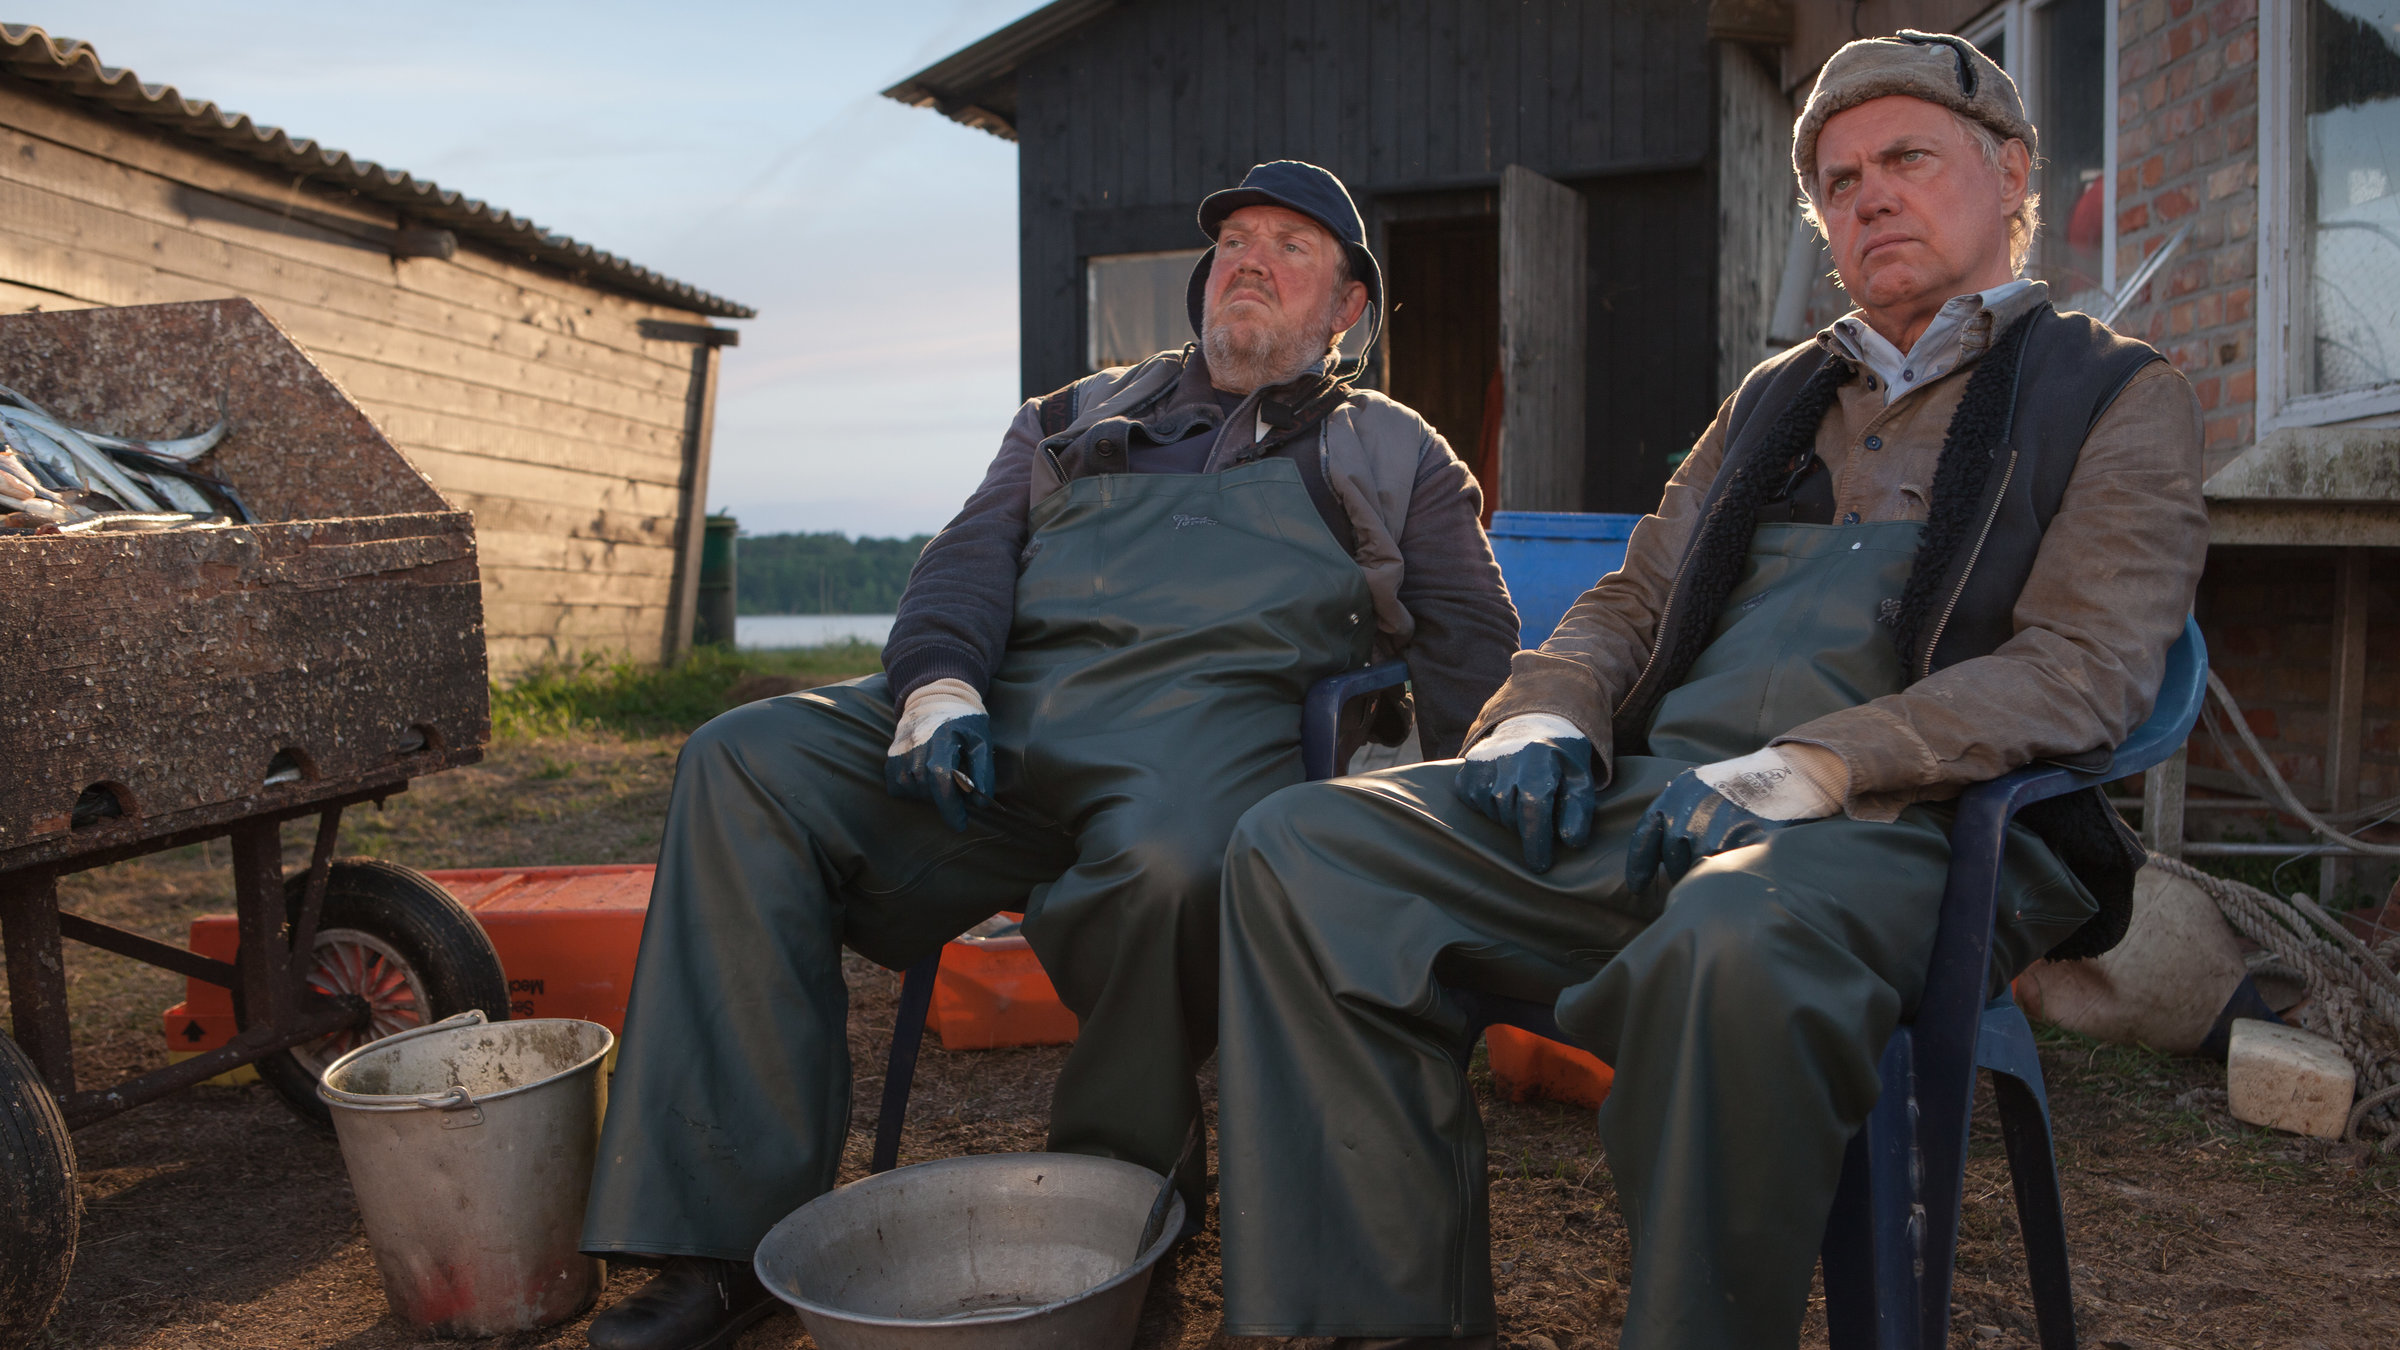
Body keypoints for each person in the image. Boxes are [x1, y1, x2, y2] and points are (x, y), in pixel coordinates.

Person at [1212, 32, 2209, 1350]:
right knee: (1303, 844)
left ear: (2011, 170)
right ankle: (1382, 1319)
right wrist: (1547, 712)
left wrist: (1815, 764)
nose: (1870, 198)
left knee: (1728, 939)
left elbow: (2085, 668)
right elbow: (1631, 598)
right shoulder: (1777, 399)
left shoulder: (2118, 396)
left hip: (1907, 828)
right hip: (1663, 796)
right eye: (1839, 182)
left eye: (1906, 158)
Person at [580, 159, 1518, 1350]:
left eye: (1292, 246)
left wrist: (1466, 817)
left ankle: (1130, 1220)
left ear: (1346, 310)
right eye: (1234, 239)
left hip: (1202, 737)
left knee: (1171, 864)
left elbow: (1474, 645)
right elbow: (962, 569)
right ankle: (722, 1239)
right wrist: (937, 687)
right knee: (742, 759)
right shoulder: (1073, 415)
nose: (1250, 260)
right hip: (997, 734)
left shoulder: (1390, 450)